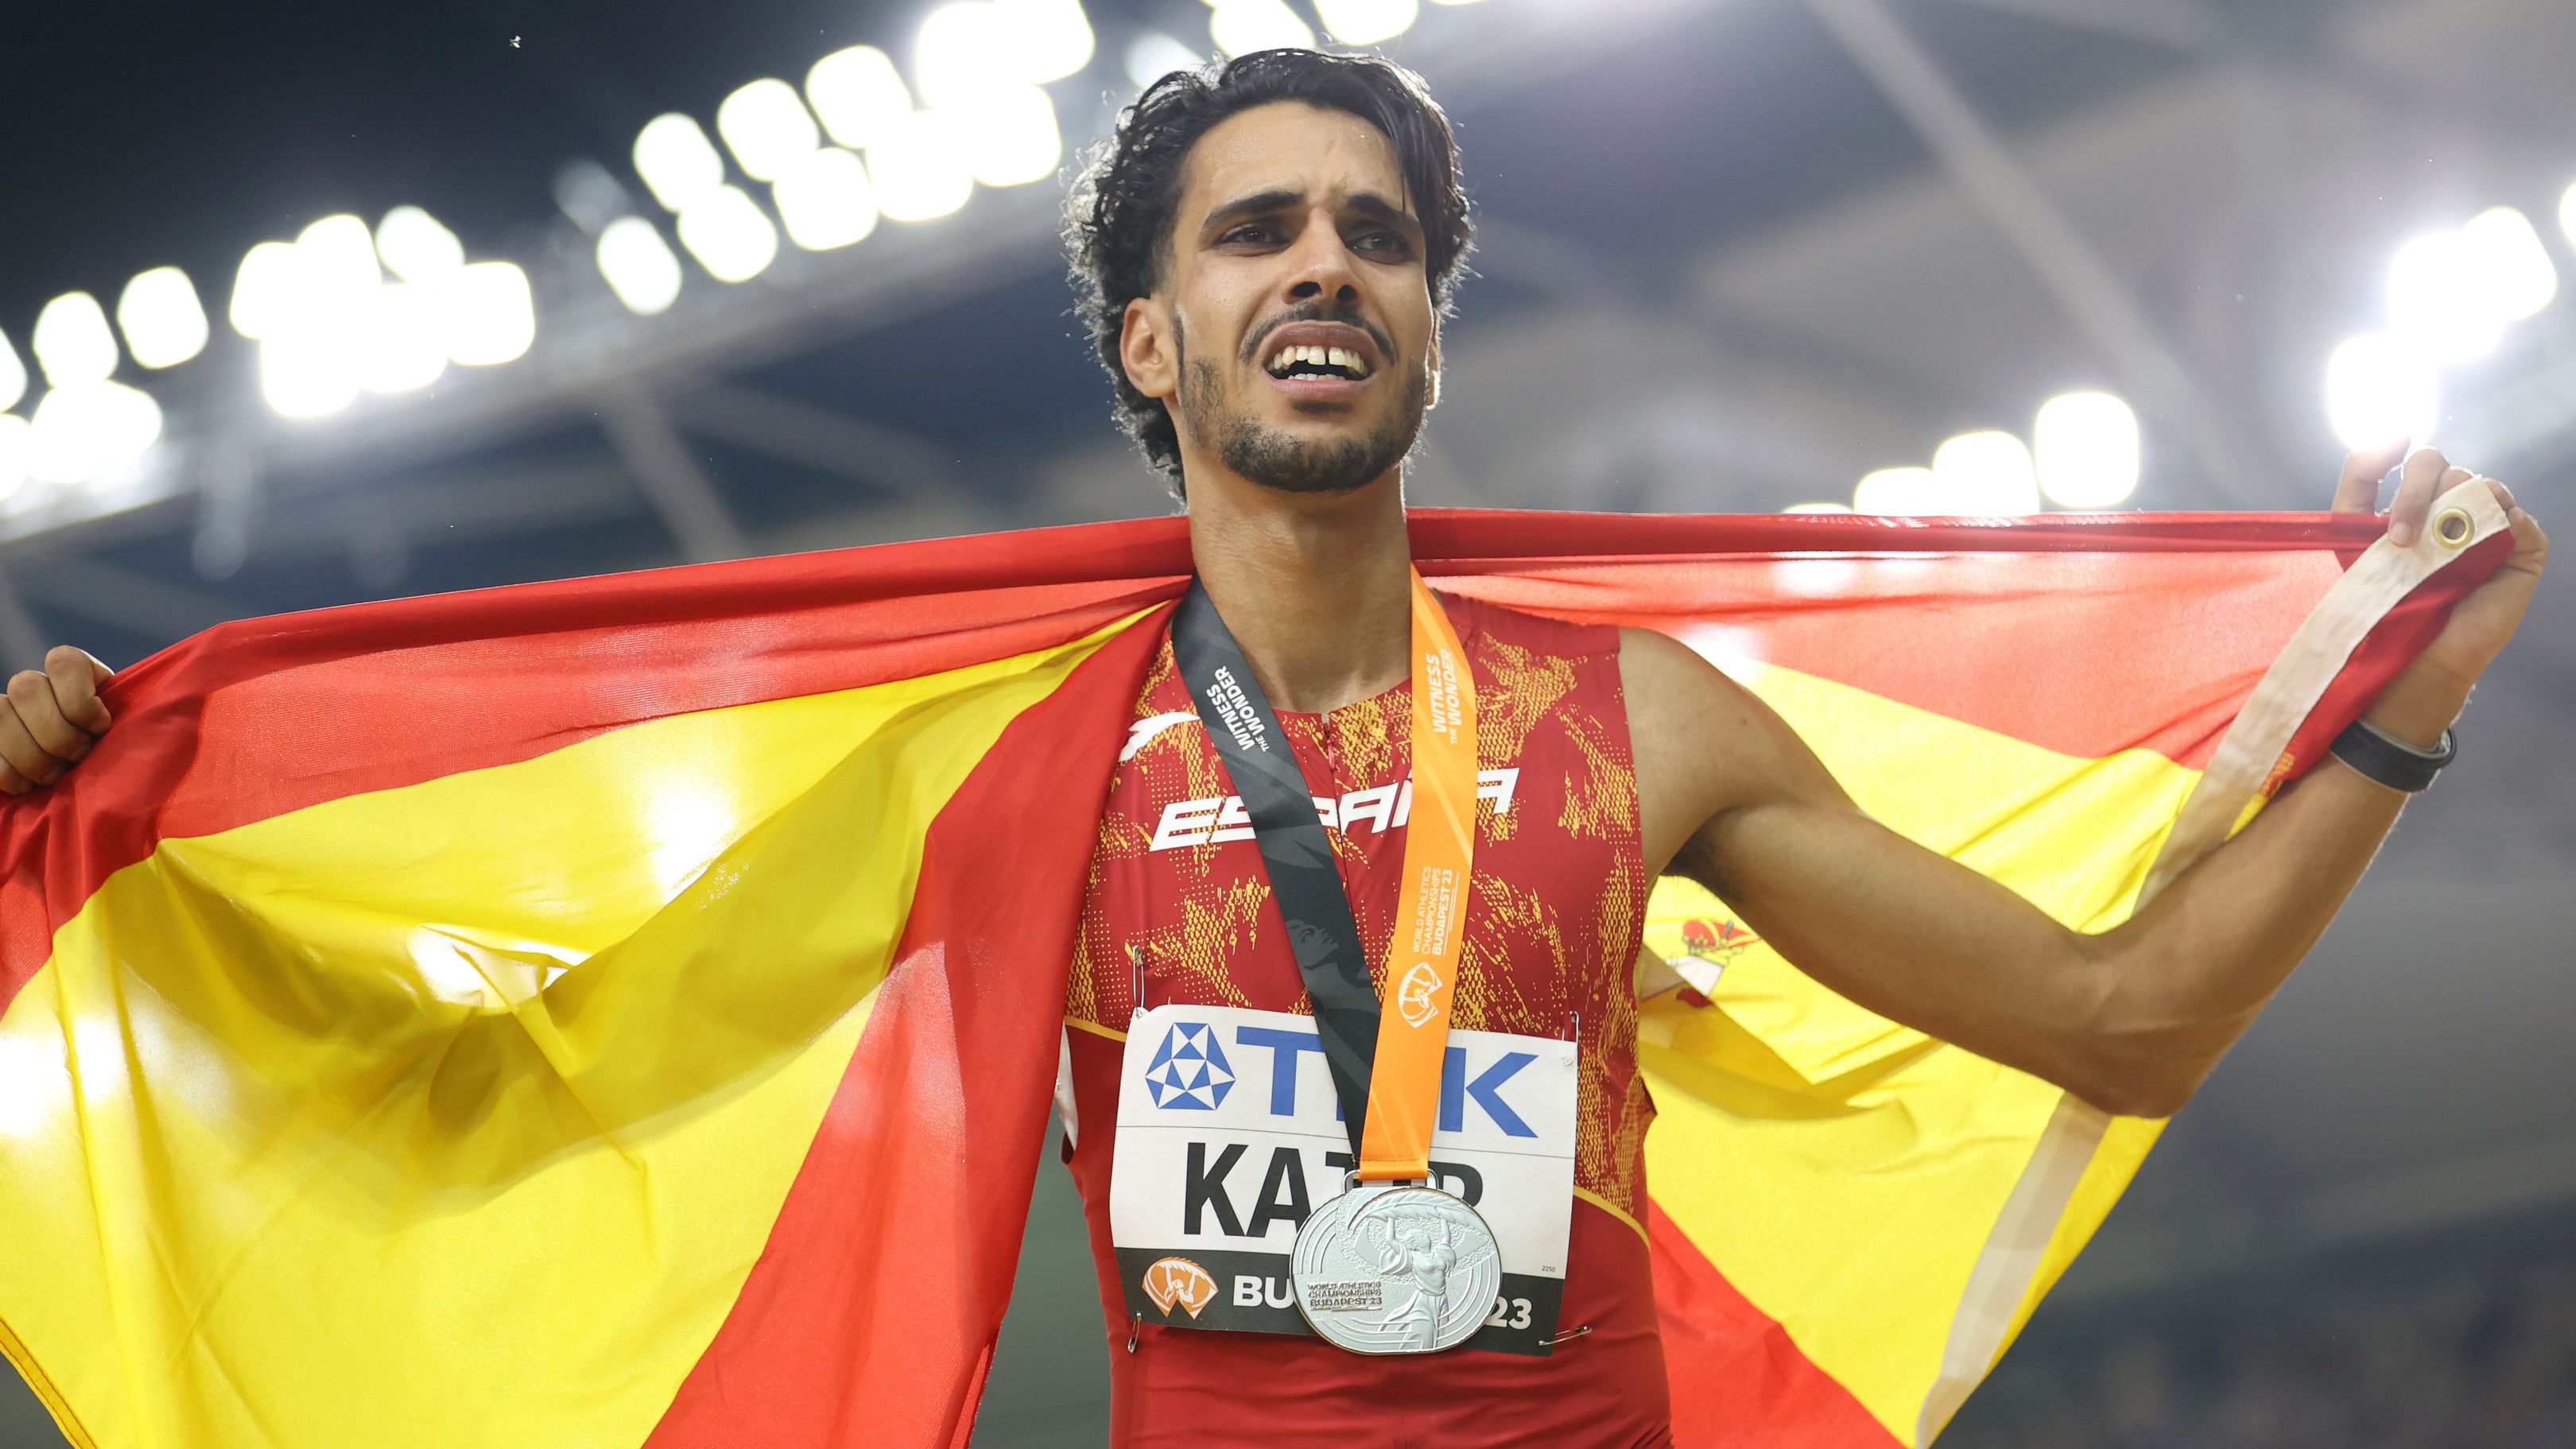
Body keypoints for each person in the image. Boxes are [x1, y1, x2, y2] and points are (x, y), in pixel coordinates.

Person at [0, 45, 2547, 1449]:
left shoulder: (1635, 719)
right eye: (1256, 231)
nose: (1324, 259)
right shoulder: (1024, 761)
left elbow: (2128, 1019)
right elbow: (528, 1085)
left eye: (1378, 232)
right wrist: (101, 856)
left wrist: (2416, 680)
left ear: (1429, 329)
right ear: (1153, 345)